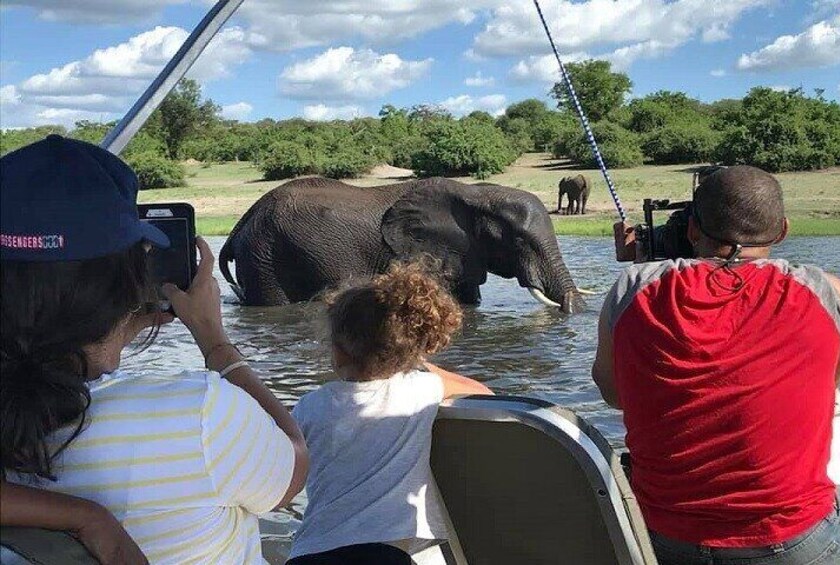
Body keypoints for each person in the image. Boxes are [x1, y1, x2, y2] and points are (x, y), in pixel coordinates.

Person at [0, 135, 308, 564]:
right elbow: (293, 468)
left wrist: (122, 325)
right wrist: (215, 342)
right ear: (127, 282)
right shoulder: (199, 413)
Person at [592, 165, 840, 565]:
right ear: (782, 231)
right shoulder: (827, 292)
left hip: (663, 538)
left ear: (693, 230)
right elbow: (829, 384)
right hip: (793, 541)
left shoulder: (632, 287)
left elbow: (614, 395)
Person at [286, 262, 493, 565]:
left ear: (338, 351)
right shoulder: (422, 388)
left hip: (311, 553)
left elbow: (285, 474)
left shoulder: (310, 404)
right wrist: (416, 362)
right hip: (385, 555)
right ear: (409, 349)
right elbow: (481, 392)